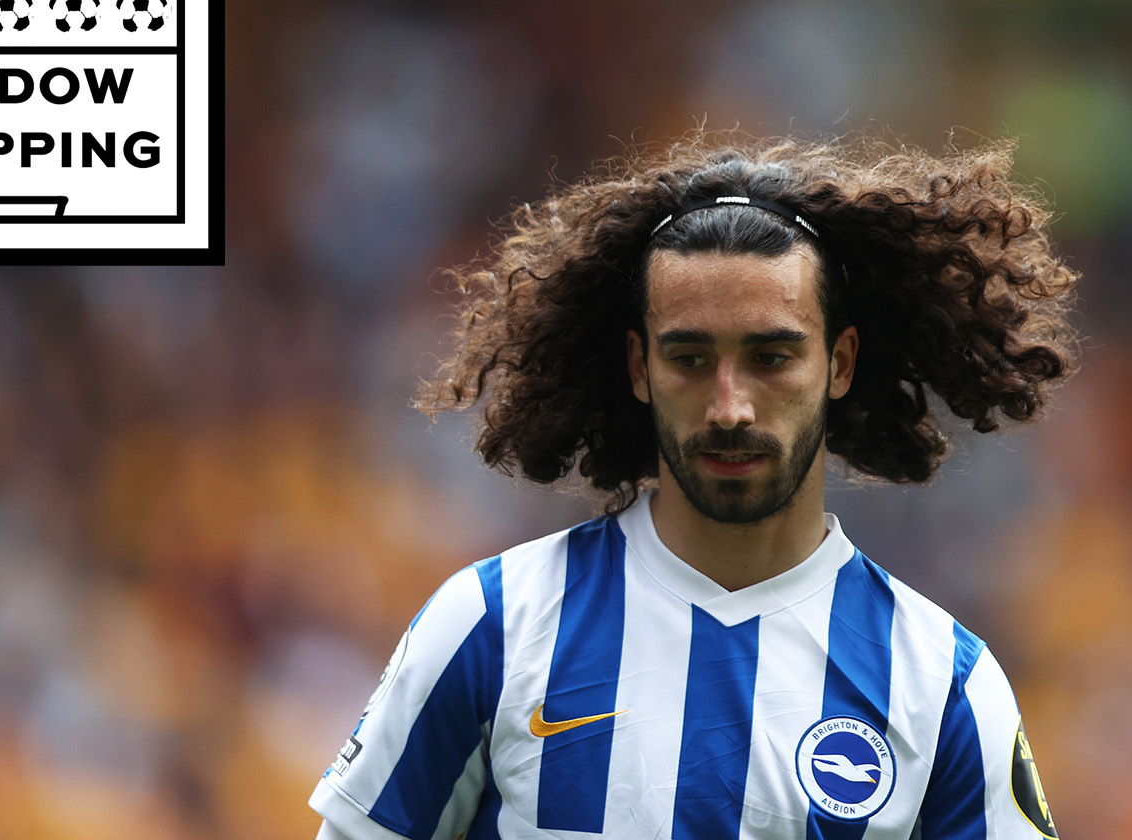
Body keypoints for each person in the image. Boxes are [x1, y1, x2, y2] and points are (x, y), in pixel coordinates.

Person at [309, 133, 1077, 839]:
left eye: (772, 357)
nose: (730, 407)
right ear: (641, 367)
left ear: (838, 364)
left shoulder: (942, 680)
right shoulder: (491, 626)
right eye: (690, 358)